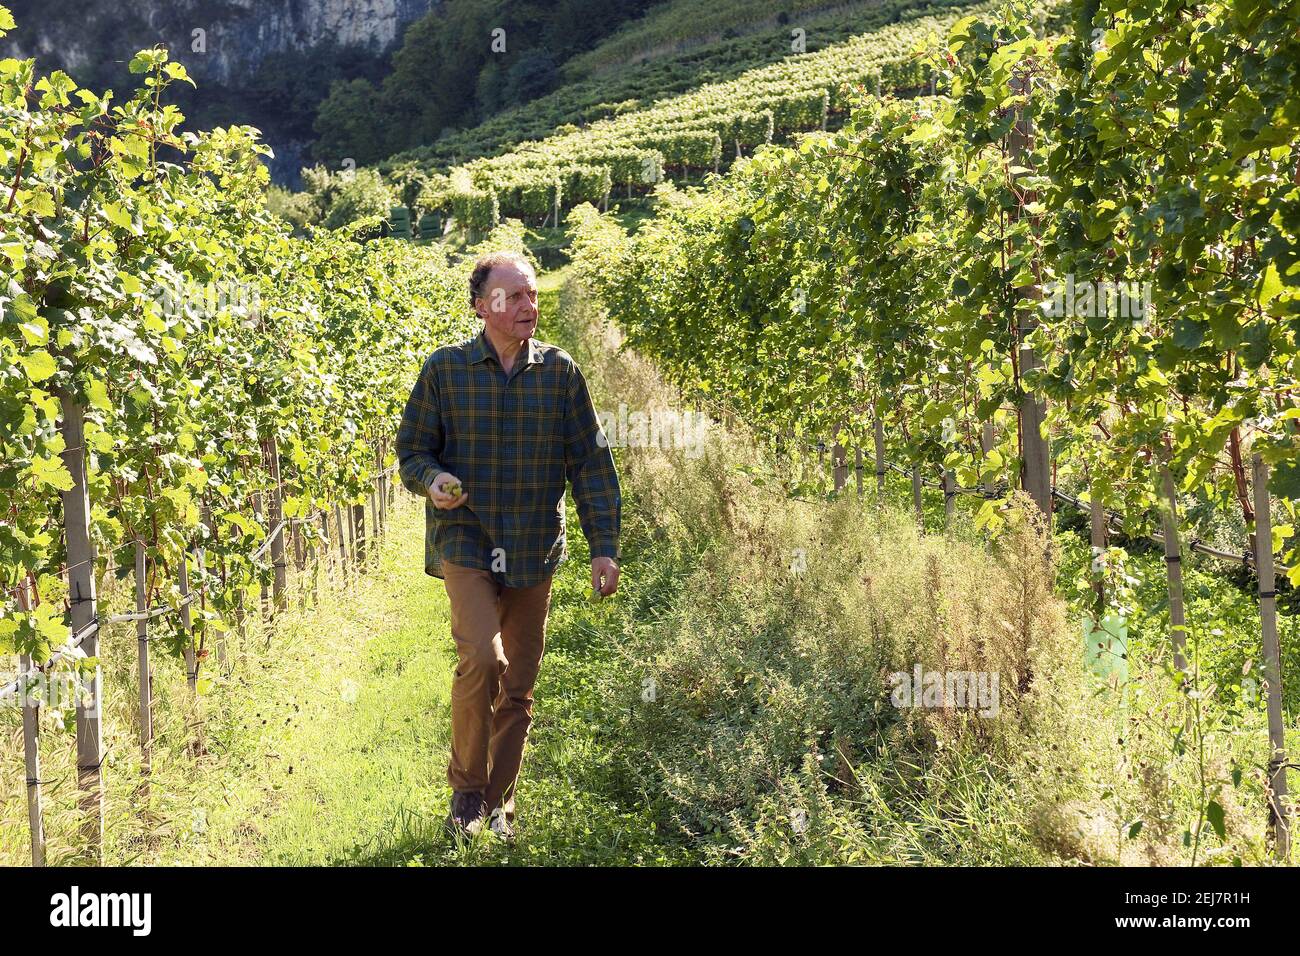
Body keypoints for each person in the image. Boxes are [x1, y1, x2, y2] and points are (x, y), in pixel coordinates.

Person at [395, 250, 622, 840]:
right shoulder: (445, 370)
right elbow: (413, 451)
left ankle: (500, 804)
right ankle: (466, 794)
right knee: (482, 659)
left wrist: (604, 545)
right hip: (466, 538)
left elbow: (591, 464)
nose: (529, 305)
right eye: (515, 296)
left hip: (531, 545)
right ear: (482, 306)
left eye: (532, 294)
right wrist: (432, 480)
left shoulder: (560, 374)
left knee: (518, 682)